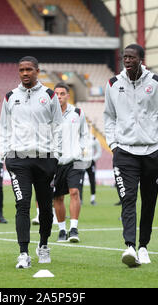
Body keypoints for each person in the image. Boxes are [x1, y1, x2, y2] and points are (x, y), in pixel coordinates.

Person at [104, 44, 158, 267]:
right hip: (124, 152)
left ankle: (144, 247)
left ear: (141, 59)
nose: (127, 60)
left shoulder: (157, 83)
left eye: (132, 57)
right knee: (128, 199)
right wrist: (113, 144)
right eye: (124, 57)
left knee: (149, 202)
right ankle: (129, 247)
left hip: (152, 152)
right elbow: (109, 116)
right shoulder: (113, 84)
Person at [0, 56, 62, 269]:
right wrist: (5, 155)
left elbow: (58, 127)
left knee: (45, 208)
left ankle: (43, 245)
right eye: (21, 70)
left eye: (29, 70)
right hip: (18, 160)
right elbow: (4, 128)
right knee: (22, 204)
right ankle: (23, 253)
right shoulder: (10, 97)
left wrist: (57, 156)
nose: (25, 73)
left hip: (45, 160)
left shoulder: (49, 95)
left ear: (37, 71)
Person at [52, 82, 90, 243]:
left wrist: (81, 149)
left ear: (68, 95)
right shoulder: (47, 114)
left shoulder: (77, 112)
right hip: (55, 162)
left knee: (75, 192)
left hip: (75, 160)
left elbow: (84, 133)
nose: (59, 96)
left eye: (62, 93)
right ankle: (62, 230)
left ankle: (74, 229)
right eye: (56, 94)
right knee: (58, 197)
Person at [82, 131, 102, 205]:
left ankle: (93, 199)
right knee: (79, 181)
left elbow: (99, 151)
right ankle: (80, 199)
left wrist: (94, 159)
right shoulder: (78, 137)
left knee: (92, 180)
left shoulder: (93, 138)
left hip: (91, 162)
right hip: (81, 162)